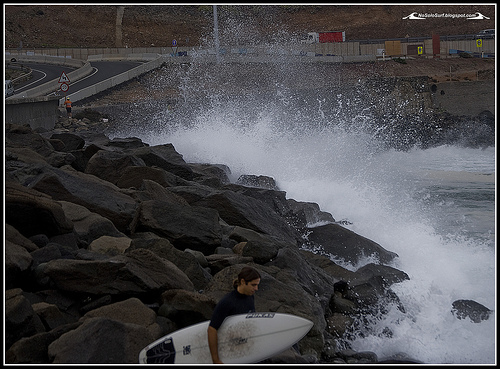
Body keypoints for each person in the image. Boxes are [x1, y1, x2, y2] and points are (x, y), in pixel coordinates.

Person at [207, 266, 261, 364]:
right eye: (254, 285)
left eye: (257, 285)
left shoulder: (250, 297)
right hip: (233, 350)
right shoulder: (227, 302)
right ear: (243, 282)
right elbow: (212, 329)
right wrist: (215, 360)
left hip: (247, 347)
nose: (256, 288)